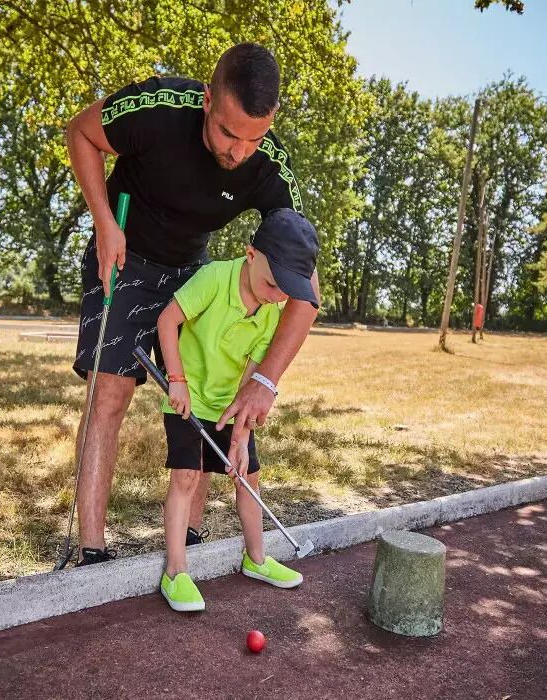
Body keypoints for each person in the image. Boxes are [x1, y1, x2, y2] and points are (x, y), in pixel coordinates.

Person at [64, 42, 319, 566]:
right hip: (124, 250)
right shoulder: (158, 109)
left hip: (191, 269)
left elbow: (304, 289)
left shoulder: (268, 167)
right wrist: (103, 221)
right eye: (229, 133)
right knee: (109, 392)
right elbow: (81, 133)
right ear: (207, 100)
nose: (238, 152)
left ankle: (192, 539)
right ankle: (90, 548)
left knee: (207, 391)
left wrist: (266, 379)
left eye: (255, 138)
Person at [156, 208, 318, 611]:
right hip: (187, 398)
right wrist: (176, 380)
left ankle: (257, 559)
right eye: (271, 283)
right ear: (250, 254)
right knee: (187, 477)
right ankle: (176, 572)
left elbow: (250, 380)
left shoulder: (270, 313)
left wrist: (242, 436)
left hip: (228, 407)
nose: (276, 295)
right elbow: (166, 320)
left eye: (286, 290)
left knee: (248, 476)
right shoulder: (214, 279)